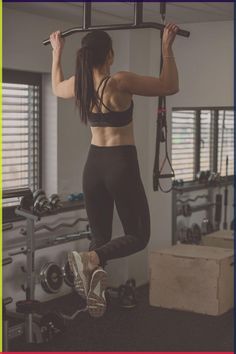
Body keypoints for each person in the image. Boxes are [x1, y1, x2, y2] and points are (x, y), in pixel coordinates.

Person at [50, 24, 179, 318]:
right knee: (139, 235)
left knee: (101, 236)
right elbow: (169, 86)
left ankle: (94, 275)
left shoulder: (78, 85)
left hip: (93, 166)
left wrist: (57, 53)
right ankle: (91, 258)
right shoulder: (119, 82)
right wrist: (166, 48)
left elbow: (56, 86)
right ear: (109, 55)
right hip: (120, 164)